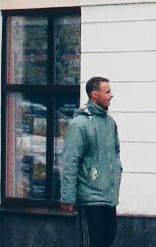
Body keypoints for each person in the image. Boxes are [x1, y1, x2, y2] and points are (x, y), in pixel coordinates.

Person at [60, 76, 122, 247]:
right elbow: (70, 161)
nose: (111, 95)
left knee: (108, 237)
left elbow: (116, 152)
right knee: (93, 242)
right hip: (89, 197)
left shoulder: (110, 122)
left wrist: (117, 171)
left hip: (107, 196)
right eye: (107, 91)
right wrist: (68, 198)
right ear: (95, 94)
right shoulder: (79, 125)